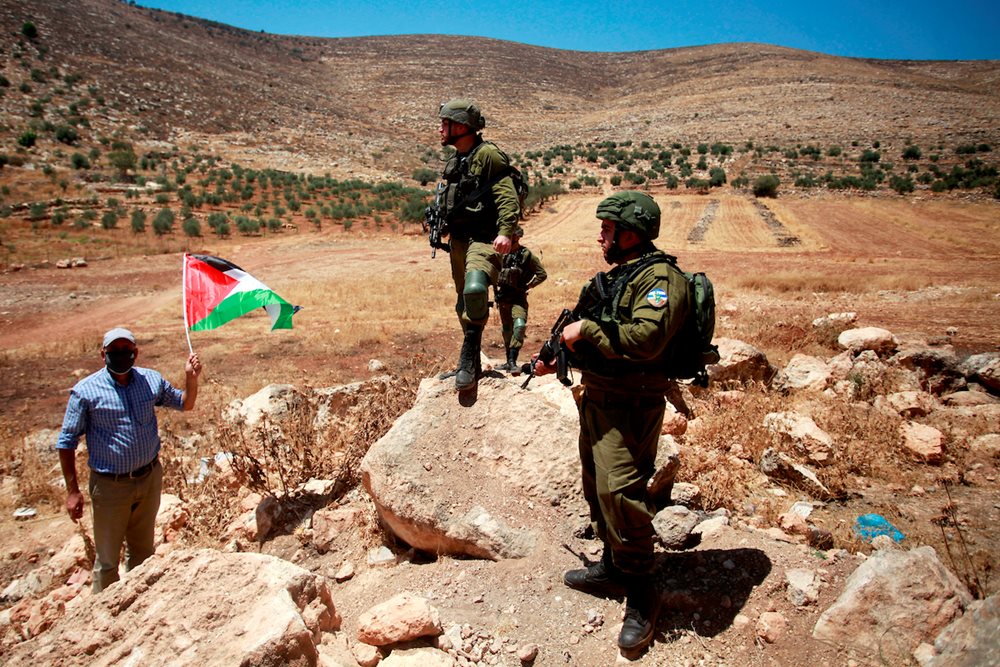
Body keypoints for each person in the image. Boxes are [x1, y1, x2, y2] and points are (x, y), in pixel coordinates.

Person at [531, 191, 690, 659]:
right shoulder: (618, 278)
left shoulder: (661, 279)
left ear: (631, 233)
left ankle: (642, 590)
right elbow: (587, 323)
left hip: (632, 402)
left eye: (607, 228)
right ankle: (615, 565)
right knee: (597, 485)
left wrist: (587, 333)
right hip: (599, 397)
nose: (600, 235)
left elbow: (645, 338)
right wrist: (554, 353)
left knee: (621, 490)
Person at [57, 327, 202, 592]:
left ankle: (138, 609)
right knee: (108, 561)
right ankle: (102, 619)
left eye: (127, 350)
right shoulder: (86, 392)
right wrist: (72, 491)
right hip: (110, 486)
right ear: (103, 354)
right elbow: (66, 442)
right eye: (115, 351)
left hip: (148, 479)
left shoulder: (150, 381)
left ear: (136, 353)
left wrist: (191, 379)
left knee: (143, 552)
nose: (121, 355)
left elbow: (185, 403)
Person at [435, 98, 520, 391]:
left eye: (445, 123)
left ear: (461, 126)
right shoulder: (456, 160)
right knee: (463, 300)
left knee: (474, 290)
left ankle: (467, 361)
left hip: (485, 239)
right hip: (459, 241)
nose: (440, 129)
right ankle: (470, 358)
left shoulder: (489, 156)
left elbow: (507, 196)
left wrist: (506, 232)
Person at [495, 226, 547, 373]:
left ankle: (512, 361)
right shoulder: (499, 255)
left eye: (512, 237)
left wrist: (529, 286)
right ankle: (508, 361)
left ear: (517, 238)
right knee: (507, 330)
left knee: (519, 326)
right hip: (503, 298)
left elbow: (542, 274)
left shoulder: (526, 255)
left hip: (518, 298)